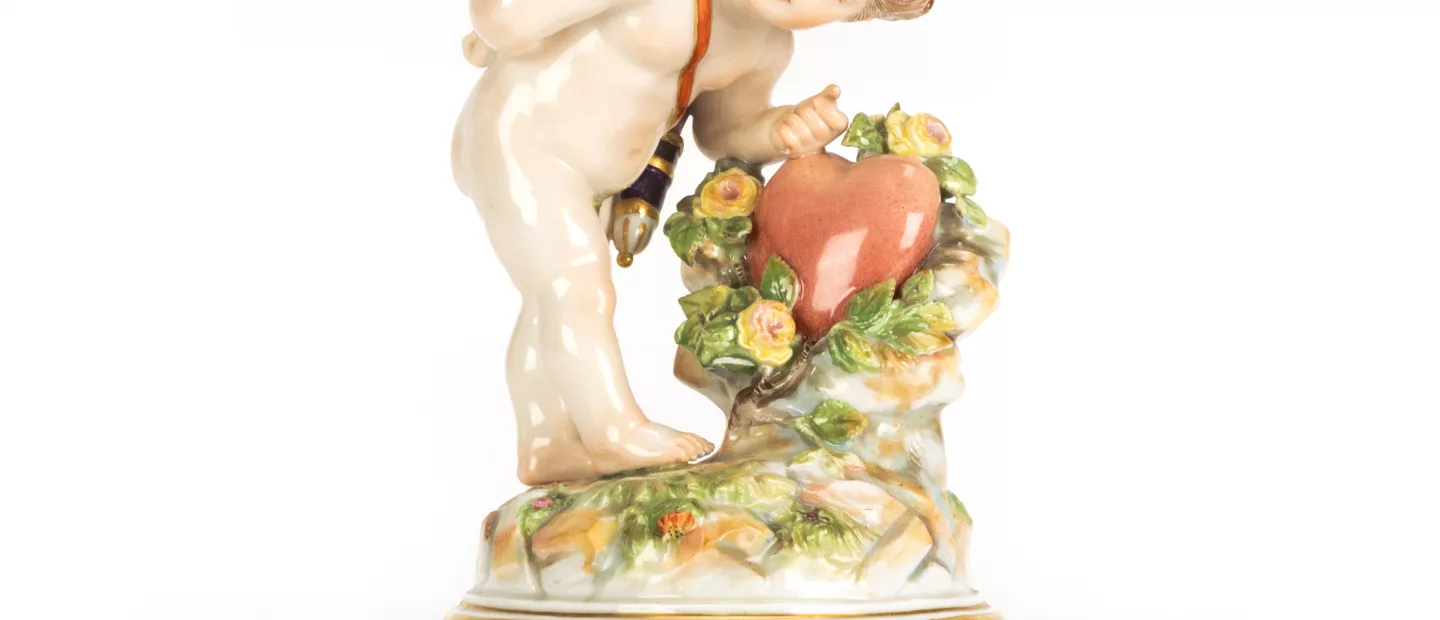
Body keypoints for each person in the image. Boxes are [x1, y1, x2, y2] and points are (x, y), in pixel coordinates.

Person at [452, 0, 934, 485]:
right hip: (524, 137)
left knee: (550, 303)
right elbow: (503, 18)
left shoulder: (765, 44)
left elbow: (722, 132)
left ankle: (547, 445)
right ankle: (613, 431)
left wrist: (780, 128)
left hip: (589, 176)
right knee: (575, 286)